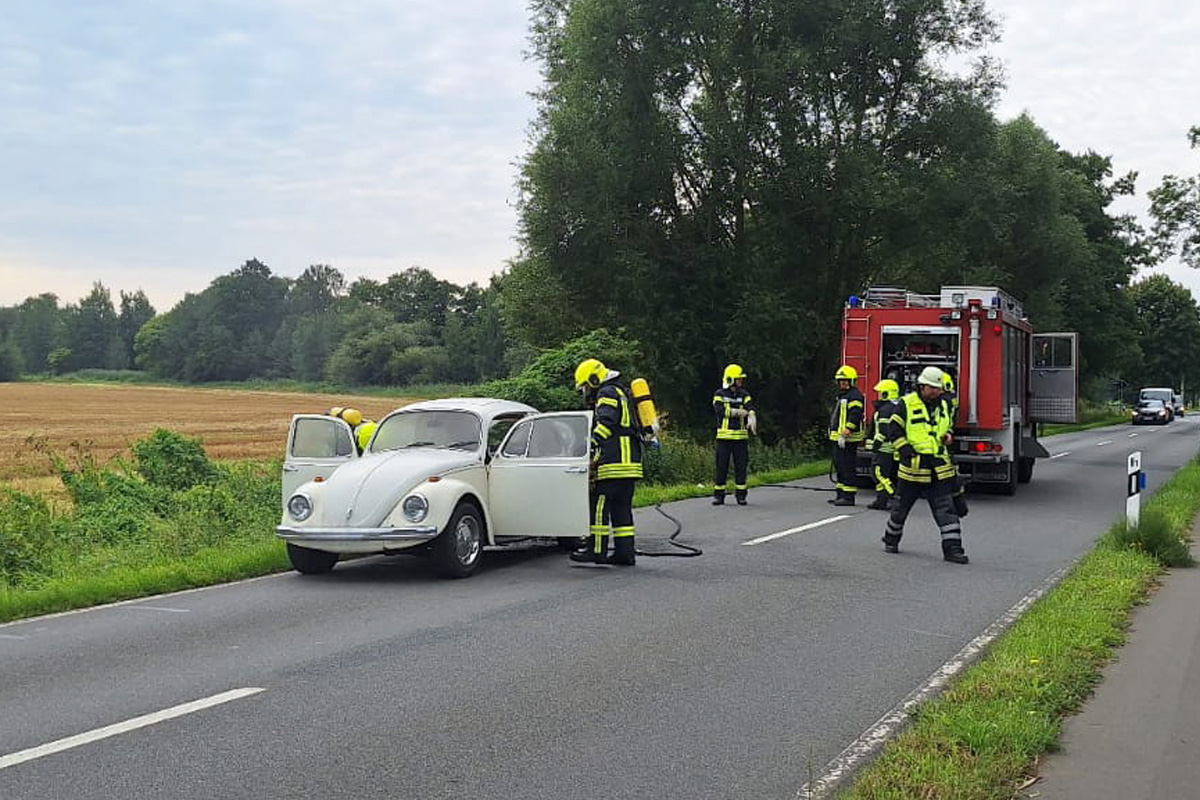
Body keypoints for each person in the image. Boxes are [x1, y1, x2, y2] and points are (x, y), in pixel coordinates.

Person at [881, 366, 969, 564]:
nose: (937, 392)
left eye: (939, 389)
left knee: (946, 510)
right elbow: (893, 429)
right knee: (900, 508)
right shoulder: (906, 404)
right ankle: (891, 539)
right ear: (922, 387)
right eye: (933, 388)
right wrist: (904, 450)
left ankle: (953, 550)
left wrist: (948, 436)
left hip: (938, 467)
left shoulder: (945, 406)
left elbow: (948, 427)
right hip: (913, 466)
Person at [570, 358, 643, 566]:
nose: (585, 391)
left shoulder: (606, 392)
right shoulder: (620, 391)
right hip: (630, 463)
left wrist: (591, 444)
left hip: (614, 462)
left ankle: (596, 551)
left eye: (585, 386)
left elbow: (607, 422)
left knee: (600, 507)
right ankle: (625, 553)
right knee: (622, 510)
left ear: (594, 379)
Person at [712, 363, 757, 506]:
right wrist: (737, 412)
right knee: (721, 467)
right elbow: (719, 411)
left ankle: (741, 495)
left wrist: (752, 416)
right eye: (738, 379)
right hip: (724, 438)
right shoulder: (720, 394)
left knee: (741, 467)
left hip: (741, 438)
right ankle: (719, 495)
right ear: (731, 379)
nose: (741, 382)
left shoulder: (744, 395)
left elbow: (750, 407)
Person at [828, 365, 865, 506]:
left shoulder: (855, 396)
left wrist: (846, 432)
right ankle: (840, 495)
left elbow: (855, 415)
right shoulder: (842, 396)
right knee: (839, 466)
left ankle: (849, 497)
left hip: (848, 439)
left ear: (852, 381)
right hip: (839, 438)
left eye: (846, 380)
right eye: (841, 381)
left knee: (847, 467)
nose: (843, 383)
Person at [865, 379, 900, 510]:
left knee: (878, 474)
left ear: (886, 393)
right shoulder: (894, 408)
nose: (879, 395)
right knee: (882, 474)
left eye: (881, 393)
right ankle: (881, 501)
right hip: (890, 449)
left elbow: (884, 430)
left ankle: (894, 496)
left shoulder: (885, 410)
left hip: (884, 449)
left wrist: (876, 444)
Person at [940, 372, 968, 518]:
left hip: (943, 435)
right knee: (949, 467)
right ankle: (958, 500)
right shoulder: (952, 399)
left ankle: (950, 498)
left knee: (945, 468)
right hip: (950, 432)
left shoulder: (942, 401)